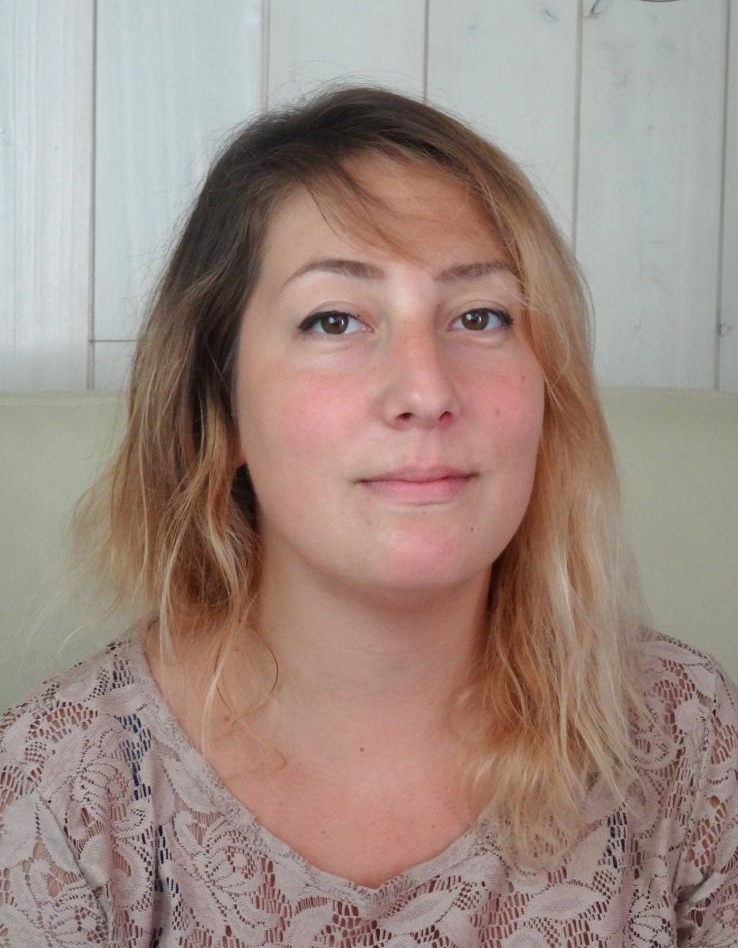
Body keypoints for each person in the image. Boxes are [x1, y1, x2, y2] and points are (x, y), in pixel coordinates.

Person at [1, 86, 736, 947]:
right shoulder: (58, 791)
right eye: (335, 320)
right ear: (219, 409)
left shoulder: (686, 734)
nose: (426, 389)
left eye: (480, 316)